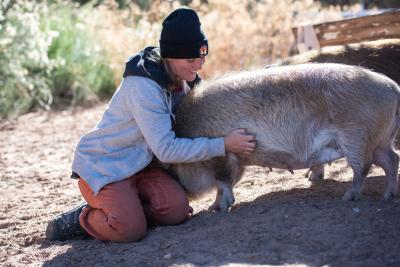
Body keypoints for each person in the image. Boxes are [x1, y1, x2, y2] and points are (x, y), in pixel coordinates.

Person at [45, 7, 256, 243]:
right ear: (170, 56)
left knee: (177, 211)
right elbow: (166, 149)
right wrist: (224, 144)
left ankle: (126, 206)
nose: (199, 65)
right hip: (107, 167)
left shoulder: (182, 78)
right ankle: (83, 219)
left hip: (142, 166)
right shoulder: (143, 85)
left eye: (202, 57)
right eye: (191, 59)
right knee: (129, 229)